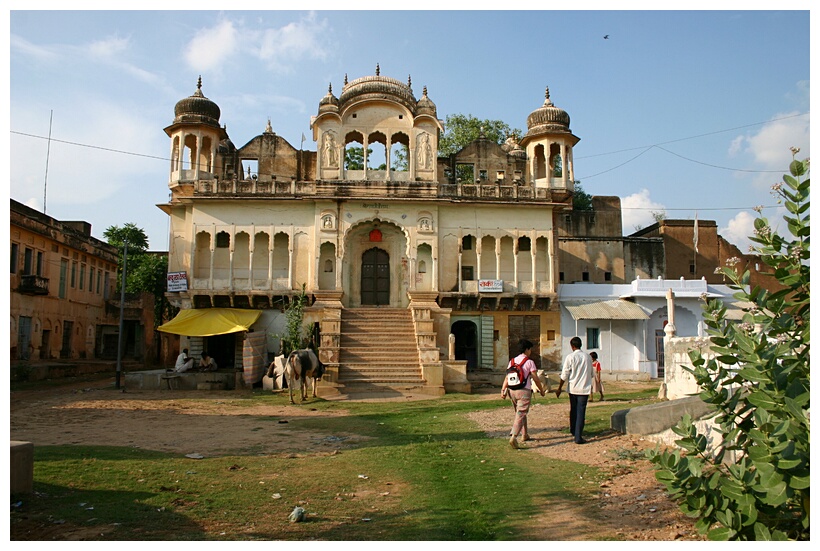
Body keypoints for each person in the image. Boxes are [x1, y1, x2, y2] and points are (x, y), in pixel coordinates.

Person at [500, 339, 547, 449]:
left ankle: (524, 434)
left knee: (520, 412)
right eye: (530, 349)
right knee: (521, 413)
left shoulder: (512, 361)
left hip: (512, 391)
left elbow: (507, 377)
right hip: (524, 391)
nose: (530, 351)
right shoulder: (529, 362)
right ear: (527, 349)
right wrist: (541, 390)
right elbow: (535, 378)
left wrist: (503, 390)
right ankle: (514, 436)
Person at [555, 337, 594, 444]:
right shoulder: (588, 357)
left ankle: (573, 431)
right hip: (584, 389)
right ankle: (578, 435)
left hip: (573, 388)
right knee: (581, 412)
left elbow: (564, 375)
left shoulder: (570, 357)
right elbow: (591, 374)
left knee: (573, 410)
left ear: (572, 346)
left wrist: (559, 388)